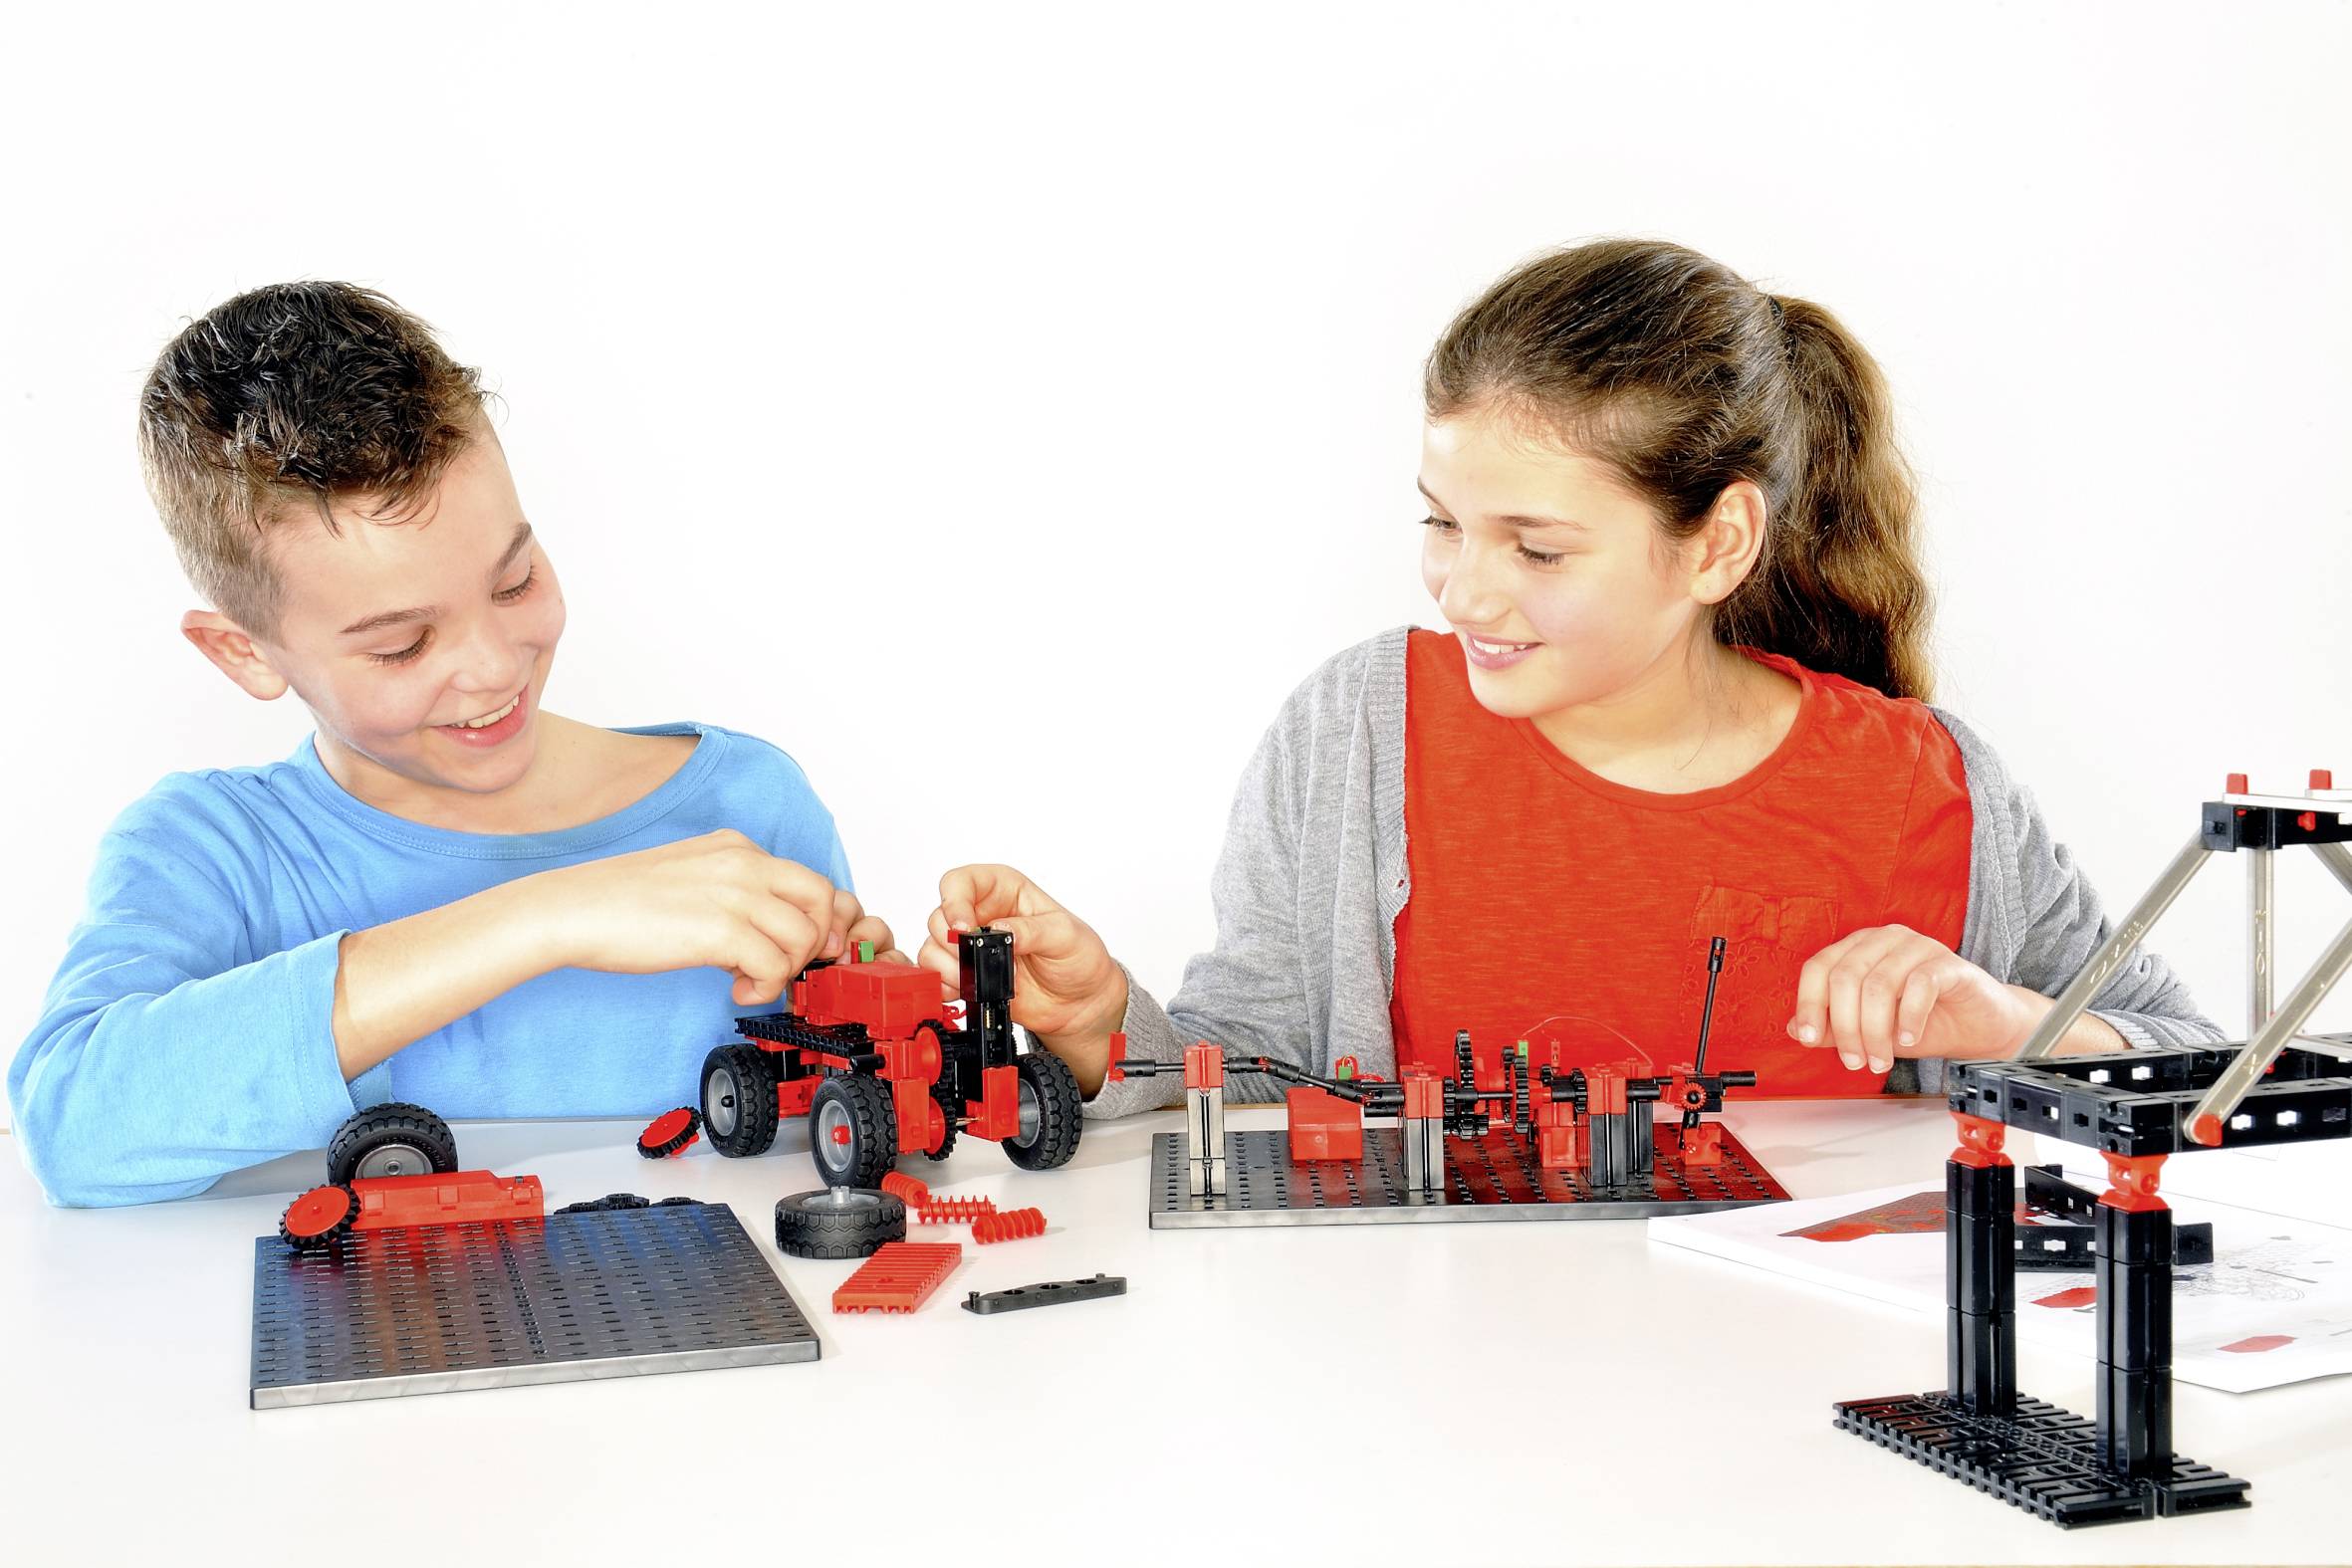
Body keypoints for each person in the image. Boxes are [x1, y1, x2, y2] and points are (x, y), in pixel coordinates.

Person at [915, 238, 2219, 1118]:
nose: (1462, 589)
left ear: (1716, 542)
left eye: (1534, 546)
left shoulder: (1928, 789)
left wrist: (2015, 1022)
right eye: (1441, 522)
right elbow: (1256, 1099)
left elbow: (2212, 1076)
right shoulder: (1355, 733)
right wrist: (1102, 1028)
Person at [11, 282, 897, 1206]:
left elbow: (876, 1132)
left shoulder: (746, 806)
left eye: (513, 582)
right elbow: (74, 1123)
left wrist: (1059, 1053)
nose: (491, 667)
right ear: (244, 651)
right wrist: (549, 914)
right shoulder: (215, 849)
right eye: (402, 644)